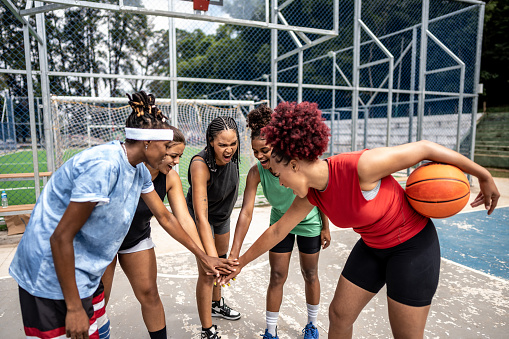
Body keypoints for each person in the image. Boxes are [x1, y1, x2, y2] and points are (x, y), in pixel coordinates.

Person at [220, 101, 500, 338]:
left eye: (279, 175)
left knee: (405, 335)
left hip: (412, 246)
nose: (280, 184)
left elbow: (425, 148)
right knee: (339, 315)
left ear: (294, 164)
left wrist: (483, 175)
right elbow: (278, 230)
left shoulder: (360, 167)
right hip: (373, 246)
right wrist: (239, 263)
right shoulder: (312, 194)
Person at [9, 91, 236, 339]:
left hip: (82, 267)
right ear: (147, 143)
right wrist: (74, 307)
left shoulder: (137, 168)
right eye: (165, 148)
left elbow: (166, 216)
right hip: (48, 271)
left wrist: (203, 256)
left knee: (97, 330)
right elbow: (60, 237)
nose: (169, 156)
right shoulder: (103, 166)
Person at [229, 105, 330, 339]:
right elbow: (246, 212)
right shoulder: (257, 173)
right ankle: (271, 331)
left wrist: (325, 226)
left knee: (310, 273)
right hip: (279, 225)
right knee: (277, 275)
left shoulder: (298, 162)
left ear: (276, 143)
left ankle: (312, 325)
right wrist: (235, 253)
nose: (260, 156)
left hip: (309, 223)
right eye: (255, 152)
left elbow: (319, 194)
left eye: (264, 150)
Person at [101, 126, 204, 339]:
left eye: (180, 156)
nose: (177, 161)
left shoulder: (169, 178)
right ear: (158, 148)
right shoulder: (124, 168)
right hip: (104, 241)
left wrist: (203, 255)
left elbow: (181, 219)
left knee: (150, 294)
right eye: (173, 155)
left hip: (136, 238)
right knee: (99, 298)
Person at [186, 116, 242, 339]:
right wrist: (208, 256)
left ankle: (217, 304)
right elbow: (200, 215)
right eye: (222, 145)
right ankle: (207, 330)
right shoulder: (200, 165)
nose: (229, 150)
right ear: (210, 142)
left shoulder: (234, 158)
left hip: (222, 215)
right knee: (210, 270)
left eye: (233, 143)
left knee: (222, 259)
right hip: (202, 218)